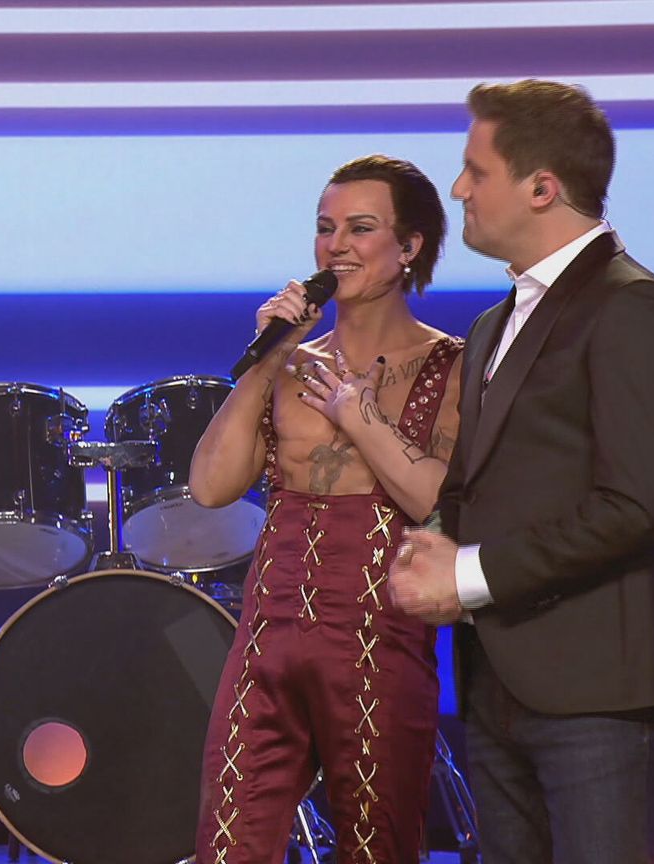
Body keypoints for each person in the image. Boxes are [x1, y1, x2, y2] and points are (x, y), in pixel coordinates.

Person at [388, 79, 654, 864]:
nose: (458, 189)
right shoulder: (493, 324)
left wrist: (468, 575)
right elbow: (482, 483)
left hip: (598, 692)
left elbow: (633, 508)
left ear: (542, 188)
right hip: (498, 685)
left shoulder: (631, 306)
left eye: (476, 171)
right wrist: (435, 542)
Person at [191, 154, 462, 864]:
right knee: (228, 845)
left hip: (380, 640)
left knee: (377, 846)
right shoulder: (288, 363)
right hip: (267, 638)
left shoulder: (452, 364)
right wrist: (268, 358)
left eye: (360, 228)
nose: (335, 245)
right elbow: (210, 487)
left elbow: (441, 503)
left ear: (410, 247)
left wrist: (361, 417)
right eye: (324, 227)